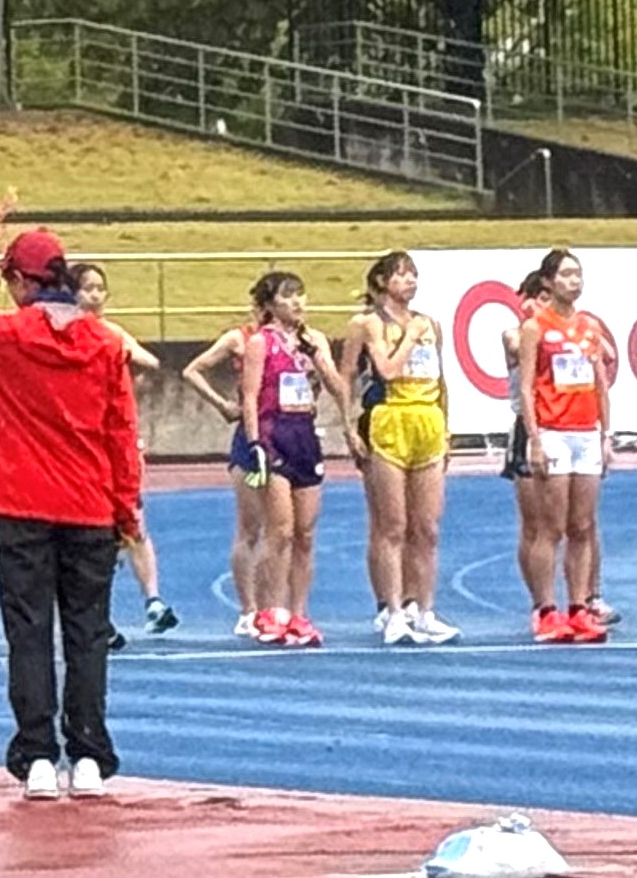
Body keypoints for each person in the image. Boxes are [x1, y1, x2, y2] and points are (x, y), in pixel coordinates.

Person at [0, 196, 141, 805]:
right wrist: (127, 511)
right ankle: (90, 755)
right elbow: (120, 433)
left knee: (28, 633)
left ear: (23, 281)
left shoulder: (4, 336)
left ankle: (37, 756)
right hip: (90, 507)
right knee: (88, 633)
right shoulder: (104, 345)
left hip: (25, 507)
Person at [343, 251, 457, 646]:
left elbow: (441, 379)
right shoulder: (369, 325)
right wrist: (347, 428)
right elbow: (382, 372)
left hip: (427, 419)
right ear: (381, 283)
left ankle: (424, 610)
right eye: (402, 275)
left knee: (426, 527)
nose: (410, 281)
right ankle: (392, 611)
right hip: (390, 418)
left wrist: (447, 427)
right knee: (392, 526)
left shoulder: (431, 325)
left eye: (414, 275)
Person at [231, 270, 347, 647]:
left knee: (306, 534)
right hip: (273, 436)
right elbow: (249, 395)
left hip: (305, 437)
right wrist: (253, 442)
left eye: (301, 295)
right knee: (279, 530)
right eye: (287, 297)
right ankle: (271, 609)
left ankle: (299, 613)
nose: (297, 303)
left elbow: (338, 388)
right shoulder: (260, 344)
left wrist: (318, 358)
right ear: (269, 306)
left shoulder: (314, 341)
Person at [514, 247, 618, 642]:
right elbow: (526, 386)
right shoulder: (534, 327)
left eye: (578, 274)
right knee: (550, 526)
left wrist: (606, 435)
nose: (574, 281)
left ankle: (578, 607)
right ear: (548, 281)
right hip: (554, 431)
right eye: (566, 274)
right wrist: (535, 438)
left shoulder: (590, 327)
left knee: (583, 525)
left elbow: (599, 383)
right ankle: (545, 609)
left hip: (585, 432)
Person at [67, 263, 175, 639]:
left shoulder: (112, 333)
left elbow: (150, 362)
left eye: (101, 288)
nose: (95, 296)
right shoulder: (66, 335)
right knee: (95, 537)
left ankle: (153, 601)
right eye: (88, 288)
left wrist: (124, 375)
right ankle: (98, 615)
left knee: (132, 522)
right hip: (83, 446)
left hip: (118, 444)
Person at [175, 292, 269, 637]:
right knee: (251, 528)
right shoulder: (239, 339)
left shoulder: (294, 340)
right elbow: (192, 370)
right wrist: (221, 405)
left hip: (284, 437)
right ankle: (248, 609)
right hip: (249, 436)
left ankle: (273, 605)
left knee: (283, 531)